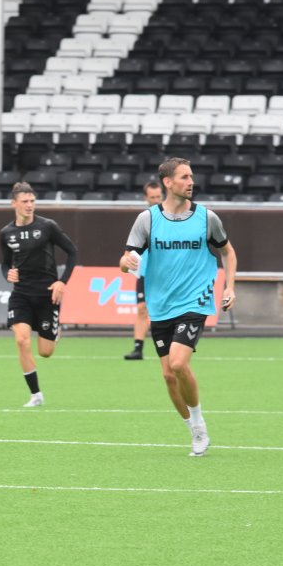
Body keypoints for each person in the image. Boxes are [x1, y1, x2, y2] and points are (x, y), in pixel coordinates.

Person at [119, 157, 237, 456]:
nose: (190, 182)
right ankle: (192, 428)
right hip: (161, 305)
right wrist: (125, 262)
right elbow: (126, 260)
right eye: (184, 177)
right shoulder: (147, 220)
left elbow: (228, 252)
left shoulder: (207, 218)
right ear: (167, 182)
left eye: (191, 176)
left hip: (195, 300)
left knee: (178, 363)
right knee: (168, 376)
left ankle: (199, 424)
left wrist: (229, 286)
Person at [0, 181, 78, 407]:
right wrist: (8, 274)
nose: (29, 205)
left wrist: (62, 282)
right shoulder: (6, 233)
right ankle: (36, 395)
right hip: (21, 295)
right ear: (14, 203)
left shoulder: (47, 226)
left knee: (45, 352)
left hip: (47, 295)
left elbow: (72, 252)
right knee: (22, 340)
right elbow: (5, 263)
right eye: (25, 201)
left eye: (32, 201)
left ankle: (55, 332)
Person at [124, 179, 165, 360]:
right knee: (142, 309)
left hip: (166, 273)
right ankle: (138, 348)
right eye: (152, 197)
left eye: (158, 196)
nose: (156, 200)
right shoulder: (143, 220)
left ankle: (170, 345)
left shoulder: (170, 218)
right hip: (145, 272)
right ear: (145, 198)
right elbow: (132, 246)